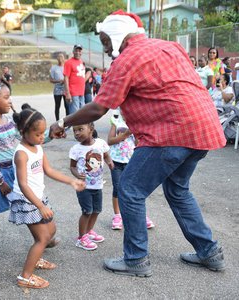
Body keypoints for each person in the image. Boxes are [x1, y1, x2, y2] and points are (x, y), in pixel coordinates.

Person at [50, 9, 226, 277]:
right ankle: (210, 253)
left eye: (107, 42)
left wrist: (64, 122)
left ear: (119, 36)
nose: (107, 49)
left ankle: (136, 259)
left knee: (130, 189)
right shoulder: (170, 46)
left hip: (171, 132)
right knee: (178, 191)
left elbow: (99, 108)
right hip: (202, 128)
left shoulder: (127, 59)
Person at [0, 78, 57, 269]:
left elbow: (25, 139)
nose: (10, 101)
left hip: (15, 173)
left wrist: (50, 135)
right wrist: (0, 182)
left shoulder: (8, 121)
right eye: (6, 97)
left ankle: (42, 238)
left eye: (10, 97)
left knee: (26, 208)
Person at [7, 106, 85, 289]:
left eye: (43, 133)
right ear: (23, 132)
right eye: (38, 134)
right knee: (42, 238)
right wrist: (40, 206)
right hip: (27, 200)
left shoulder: (37, 147)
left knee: (51, 230)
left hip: (39, 197)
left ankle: (36, 259)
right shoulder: (21, 154)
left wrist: (71, 181)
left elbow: (48, 170)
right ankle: (25, 277)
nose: (42, 137)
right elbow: (23, 185)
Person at [107, 109, 154, 230]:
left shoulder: (136, 121)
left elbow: (138, 142)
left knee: (135, 188)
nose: (124, 110)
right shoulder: (116, 120)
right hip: (116, 161)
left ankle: (140, 215)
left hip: (132, 160)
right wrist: (124, 135)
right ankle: (117, 216)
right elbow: (110, 141)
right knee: (117, 188)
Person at [69, 122, 113, 250]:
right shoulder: (76, 149)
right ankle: (81, 238)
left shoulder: (100, 144)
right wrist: (77, 174)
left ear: (91, 129)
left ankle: (89, 232)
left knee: (96, 210)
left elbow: (106, 156)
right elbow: (72, 166)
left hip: (98, 186)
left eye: (80, 129)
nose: (77, 133)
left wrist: (110, 163)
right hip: (83, 187)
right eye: (74, 131)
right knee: (87, 211)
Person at [64, 44, 86, 114]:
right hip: (73, 93)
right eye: (76, 50)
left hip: (81, 92)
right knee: (75, 115)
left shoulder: (81, 62)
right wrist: (67, 93)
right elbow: (66, 78)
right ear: (73, 52)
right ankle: (74, 125)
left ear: (81, 52)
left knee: (82, 114)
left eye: (79, 51)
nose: (78, 52)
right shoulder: (69, 63)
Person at [50, 53, 69, 120]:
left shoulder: (66, 67)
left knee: (67, 106)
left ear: (64, 58)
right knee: (57, 106)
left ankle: (67, 120)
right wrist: (58, 81)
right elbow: (51, 80)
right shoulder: (54, 68)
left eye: (62, 57)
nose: (60, 58)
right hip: (57, 90)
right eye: (59, 57)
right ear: (57, 59)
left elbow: (69, 77)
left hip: (65, 89)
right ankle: (57, 120)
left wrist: (65, 81)